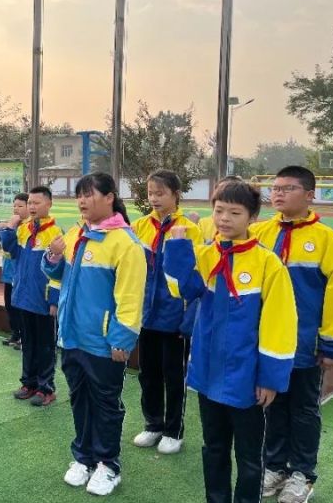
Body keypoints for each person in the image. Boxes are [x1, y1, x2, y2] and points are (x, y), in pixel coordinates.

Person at [164, 180, 297, 503]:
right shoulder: (206, 255)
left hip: (246, 377)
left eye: (235, 213)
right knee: (214, 447)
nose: (224, 218)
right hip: (208, 372)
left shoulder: (267, 264)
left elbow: (280, 324)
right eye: (219, 210)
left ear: (253, 217)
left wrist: (270, 378)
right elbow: (181, 289)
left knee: (249, 457)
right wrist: (178, 248)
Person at [43, 172, 147, 496]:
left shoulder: (125, 243)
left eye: (89, 194)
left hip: (103, 343)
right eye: (79, 194)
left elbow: (130, 298)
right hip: (72, 336)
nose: (82, 201)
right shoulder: (77, 233)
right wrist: (53, 256)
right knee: (79, 399)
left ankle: (108, 464)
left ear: (110, 197)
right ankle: (83, 457)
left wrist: (122, 339)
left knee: (105, 404)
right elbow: (59, 274)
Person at [251, 166, 333, 503]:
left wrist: (332, 344)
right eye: (275, 188)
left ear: (309, 195)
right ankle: (275, 466)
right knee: (272, 404)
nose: (278, 193)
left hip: (306, 343)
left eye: (288, 188)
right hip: (267, 343)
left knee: (304, 409)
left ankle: (302, 474)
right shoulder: (259, 233)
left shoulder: (329, 240)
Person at [130, 169, 202, 455]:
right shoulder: (139, 227)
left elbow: (196, 277)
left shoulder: (190, 229)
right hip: (146, 315)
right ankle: (153, 424)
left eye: (160, 193)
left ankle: (174, 430)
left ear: (176, 194)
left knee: (174, 376)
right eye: (150, 193)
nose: (154, 198)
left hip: (175, 318)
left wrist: (188, 317)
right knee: (148, 374)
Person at [0, 185, 63, 407]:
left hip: (43, 300)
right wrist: (10, 228)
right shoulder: (24, 229)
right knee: (28, 343)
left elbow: (59, 270)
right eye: (30, 203)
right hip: (23, 297)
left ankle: (46, 388)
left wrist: (54, 299)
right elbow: (10, 252)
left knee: (46, 346)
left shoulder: (55, 233)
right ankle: (29, 383)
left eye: (37, 202)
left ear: (49, 204)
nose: (32, 207)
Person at [0, 193, 29, 349]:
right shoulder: (11, 223)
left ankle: (25, 338)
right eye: (14, 205)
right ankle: (15, 334)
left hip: (20, 275)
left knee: (21, 308)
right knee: (10, 306)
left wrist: (11, 228)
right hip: (8, 274)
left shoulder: (28, 227)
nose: (16, 209)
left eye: (20, 206)